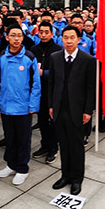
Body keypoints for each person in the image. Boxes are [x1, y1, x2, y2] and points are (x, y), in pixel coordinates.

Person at [45, 26, 96, 195]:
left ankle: (76, 179)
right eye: (65, 37)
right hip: (59, 108)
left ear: (78, 39)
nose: (68, 41)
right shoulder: (55, 57)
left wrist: (88, 110)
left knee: (76, 146)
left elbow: (91, 88)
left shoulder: (87, 59)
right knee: (64, 145)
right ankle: (65, 175)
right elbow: (51, 83)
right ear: (62, 39)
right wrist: (51, 105)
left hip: (77, 110)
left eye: (72, 37)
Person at [0, 24, 42, 186]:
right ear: (7, 37)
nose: (16, 38)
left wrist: (33, 105)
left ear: (23, 38)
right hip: (6, 105)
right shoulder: (1, 57)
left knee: (23, 139)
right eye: (12, 35)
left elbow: (36, 84)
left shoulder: (29, 57)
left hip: (23, 106)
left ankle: (22, 168)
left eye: (19, 36)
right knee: (10, 137)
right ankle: (11, 164)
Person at [32, 22, 63, 162]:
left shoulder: (57, 50)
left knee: (53, 121)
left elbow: (60, 72)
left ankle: (53, 148)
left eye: (46, 32)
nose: (43, 35)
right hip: (38, 91)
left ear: (51, 33)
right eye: (41, 32)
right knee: (42, 120)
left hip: (53, 90)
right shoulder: (34, 49)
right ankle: (44, 145)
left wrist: (43, 73)